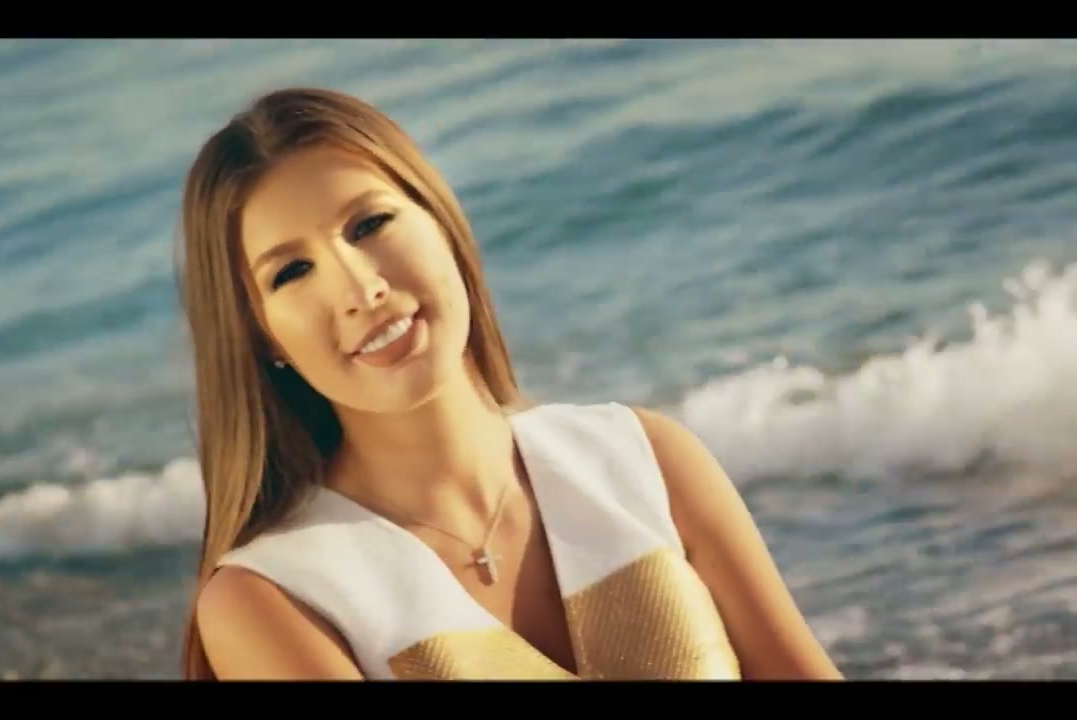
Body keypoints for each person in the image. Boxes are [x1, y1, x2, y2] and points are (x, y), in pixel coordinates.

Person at [174, 86, 843, 681]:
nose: (360, 288)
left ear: (440, 220)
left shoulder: (646, 459)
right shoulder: (273, 599)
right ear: (261, 334)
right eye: (291, 272)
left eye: (369, 224)